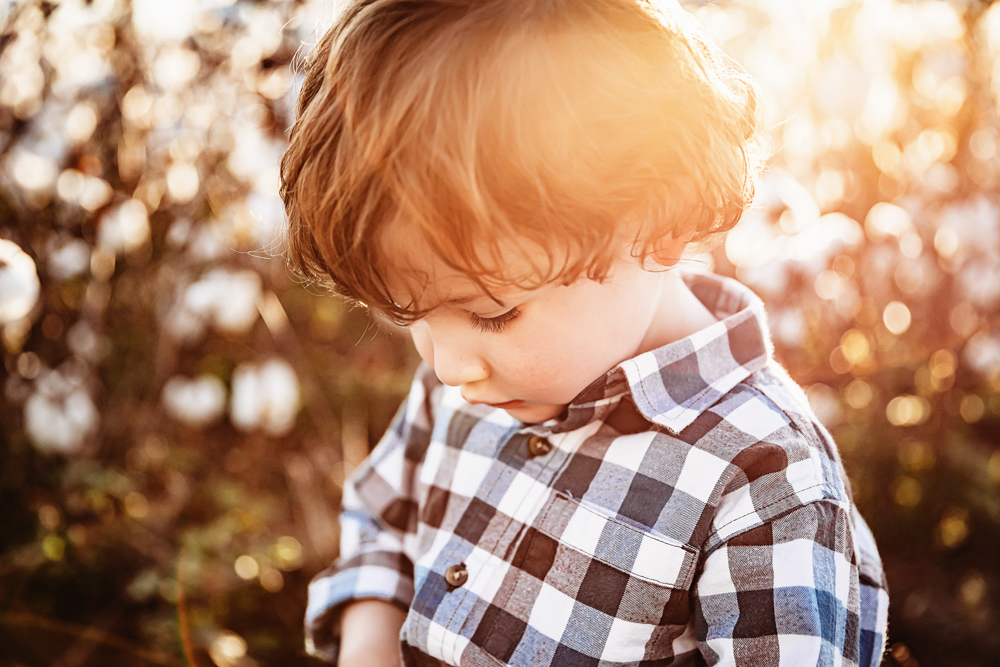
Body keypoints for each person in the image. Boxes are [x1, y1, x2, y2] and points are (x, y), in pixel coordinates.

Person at [280, 0, 889, 664]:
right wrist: (370, 642)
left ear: (655, 222)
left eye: (491, 313)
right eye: (408, 315)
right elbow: (380, 519)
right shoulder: (461, 381)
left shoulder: (763, 478)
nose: (450, 366)